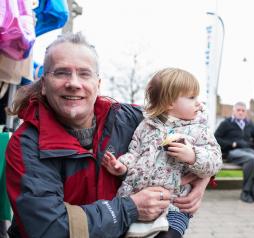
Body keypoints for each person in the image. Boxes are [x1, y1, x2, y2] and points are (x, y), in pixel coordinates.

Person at [5, 32, 210, 238]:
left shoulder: (133, 119)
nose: (74, 83)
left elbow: (198, 138)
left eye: (84, 74)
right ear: (43, 84)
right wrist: (130, 208)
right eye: (61, 73)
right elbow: (49, 228)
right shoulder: (26, 145)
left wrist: (203, 179)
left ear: (98, 83)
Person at [102, 67, 222, 238]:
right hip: (136, 198)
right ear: (169, 102)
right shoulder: (146, 126)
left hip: (174, 204)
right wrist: (122, 165)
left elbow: (215, 162)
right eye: (191, 97)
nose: (198, 102)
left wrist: (193, 156)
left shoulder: (199, 130)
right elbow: (134, 152)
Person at [214, 102, 254, 203]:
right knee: (251, 158)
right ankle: (245, 192)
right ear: (234, 111)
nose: (240, 112)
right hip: (232, 152)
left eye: (243, 110)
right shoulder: (226, 123)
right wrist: (231, 144)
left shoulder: (249, 124)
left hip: (248, 151)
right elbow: (216, 138)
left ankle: (253, 191)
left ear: (246, 112)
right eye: (238, 110)